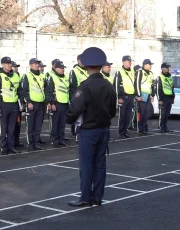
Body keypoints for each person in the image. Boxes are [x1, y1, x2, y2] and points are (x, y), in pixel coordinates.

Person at [67, 47, 116, 207]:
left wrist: (69, 119)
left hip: (88, 130)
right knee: (100, 165)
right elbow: (112, 110)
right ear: (101, 65)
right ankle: (97, 197)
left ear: (86, 66)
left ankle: (86, 197)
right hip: (104, 129)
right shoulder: (108, 85)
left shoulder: (85, 86)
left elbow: (75, 108)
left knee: (87, 165)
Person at [0, 57, 21, 155]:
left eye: (10, 63)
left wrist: (21, 104)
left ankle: (11, 146)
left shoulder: (16, 75)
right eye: (8, 63)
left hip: (14, 104)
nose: (10, 65)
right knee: (4, 128)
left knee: (12, 127)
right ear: (3, 65)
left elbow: (19, 91)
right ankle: (4, 147)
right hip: (3, 104)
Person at [21, 58, 46, 151]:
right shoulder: (27, 76)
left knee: (38, 125)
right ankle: (30, 143)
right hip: (32, 103)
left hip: (41, 103)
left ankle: (36, 142)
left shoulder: (43, 76)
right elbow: (24, 90)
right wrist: (28, 102)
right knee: (30, 125)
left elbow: (45, 89)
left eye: (37, 63)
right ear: (30, 65)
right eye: (35, 63)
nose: (37, 65)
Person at [46, 61, 70, 147]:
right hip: (56, 103)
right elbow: (49, 91)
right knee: (55, 123)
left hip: (65, 103)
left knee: (62, 123)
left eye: (63, 68)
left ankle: (61, 139)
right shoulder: (52, 77)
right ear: (56, 68)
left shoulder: (66, 77)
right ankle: (55, 140)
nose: (62, 69)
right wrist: (51, 103)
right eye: (60, 68)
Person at [114, 55, 135, 138]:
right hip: (123, 97)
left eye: (130, 61)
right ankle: (121, 132)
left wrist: (134, 96)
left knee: (128, 115)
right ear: (123, 62)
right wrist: (118, 97)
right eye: (127, 61)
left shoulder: (132, 71)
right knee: (122, 116)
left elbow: (134, 84)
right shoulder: (119, 71)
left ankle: (125, 131)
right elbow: (116, 85)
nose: (129, 62)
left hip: (131, 96)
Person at [134, 59, 155, 135]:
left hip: (148, 95)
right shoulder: (140, 72)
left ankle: (144, 127)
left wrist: (153, 95)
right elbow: (137, 84)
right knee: (141, 113)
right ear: (145, 65)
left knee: (146, 113)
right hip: (142, 95)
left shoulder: (151, 73)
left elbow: (152, 85)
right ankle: (140, 129)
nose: (151, 66)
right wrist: (138, 95)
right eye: (149, 64)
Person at [157, 63, 175, 133]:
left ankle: (165, 127)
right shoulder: (160, 77)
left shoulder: (170, 76)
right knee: (162, 114)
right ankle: (161, 128)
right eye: (166, 67)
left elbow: (172, 87)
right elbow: (158, 89)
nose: (168, 68)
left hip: (169, 97)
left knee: (167, 114)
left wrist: (173, 98)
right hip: (163, 98)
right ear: (162, 68)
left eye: (168, 67)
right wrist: (160, 99)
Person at [11, 61, 24, 148]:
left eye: (17, 67)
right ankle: (11, 142)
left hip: (17, 104)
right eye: (14, 67)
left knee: (18, 124)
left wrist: (22, 103)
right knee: (11, 125)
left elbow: (20, 91)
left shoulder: (18, 76)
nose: (16, 68)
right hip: (10, 104)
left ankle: (16, 140)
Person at [128, 65, 142, 131]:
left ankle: (134, 124)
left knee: (136, 112)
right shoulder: (134, 77)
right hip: (134, 96)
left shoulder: (137, 77)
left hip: (136, 96)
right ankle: (132, 125)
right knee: (134, 112)